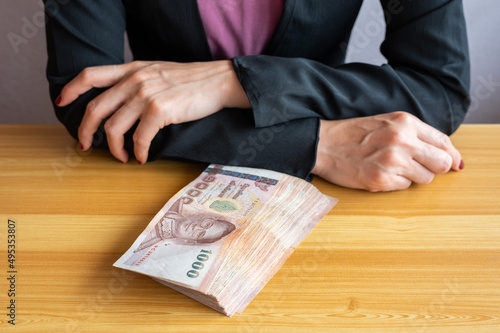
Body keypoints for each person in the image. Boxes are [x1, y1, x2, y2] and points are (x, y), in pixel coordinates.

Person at [43, 0, 470, 192]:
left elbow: (438, 89)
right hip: (149, 177)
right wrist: (315, 145)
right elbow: (87, 100)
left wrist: (235, 80)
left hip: (341, 197)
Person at [133, 198, 236, 252]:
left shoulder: (143, 244)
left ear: (191, 241)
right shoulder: (178, 201)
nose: (197, 227)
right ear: (204, 217)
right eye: (207, 224)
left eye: (200, 233)